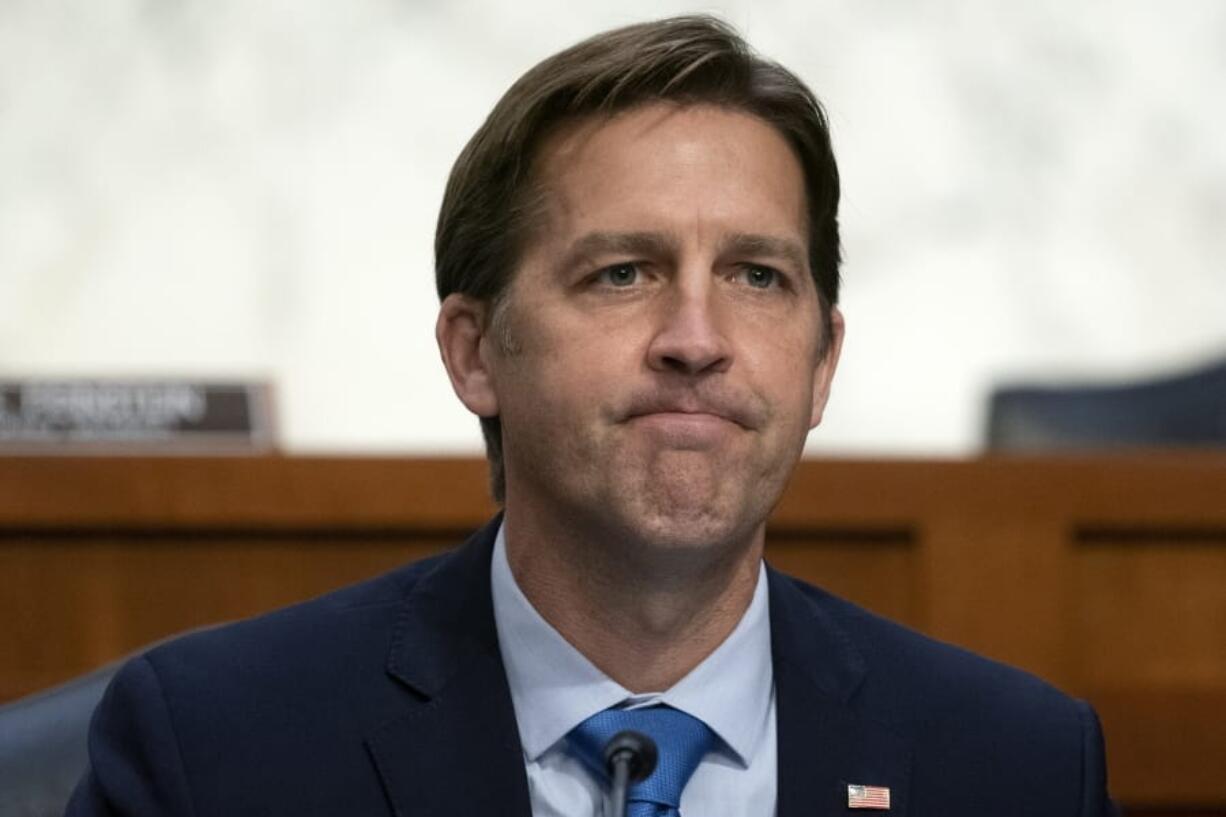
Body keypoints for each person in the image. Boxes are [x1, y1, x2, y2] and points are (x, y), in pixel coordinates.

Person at [67, 16, 1117, 817]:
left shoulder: (1015, 766)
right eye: (622, 273)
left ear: (822, 361)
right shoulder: (214, 747)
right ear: (474, 352)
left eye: (755, 276)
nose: (695, 337)